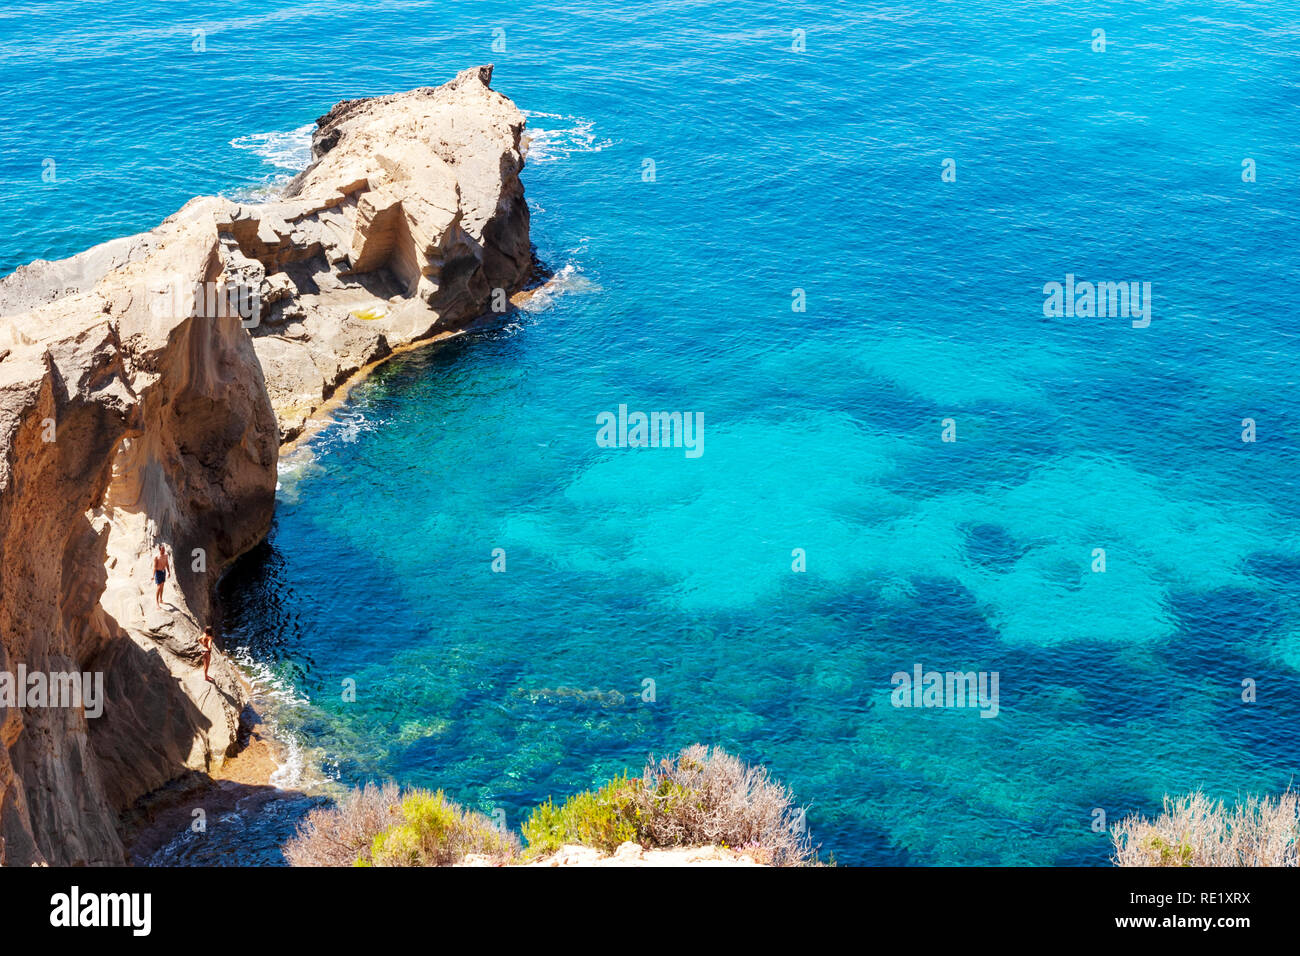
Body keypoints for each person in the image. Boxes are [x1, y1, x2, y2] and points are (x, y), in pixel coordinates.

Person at [152, 544, 169, 608]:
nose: (163, 551)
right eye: (162, 550)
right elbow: (155, 567)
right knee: (158, 587)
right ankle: (157, 603)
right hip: (158, 572)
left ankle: (161, 599)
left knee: (162, 586)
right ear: (159, 550)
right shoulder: (157, 557)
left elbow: (167, 564)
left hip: (163, 572)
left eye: (164, 549)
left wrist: (169, 572)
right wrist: (153, 576)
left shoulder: (166, 555)